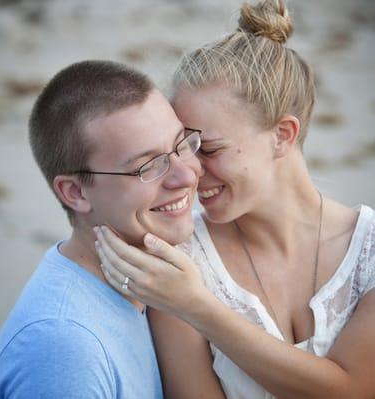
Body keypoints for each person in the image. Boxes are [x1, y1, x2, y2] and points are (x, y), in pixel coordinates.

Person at [95, 1, 375, 398]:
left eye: (207, 148)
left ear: (283, 135)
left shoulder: (370, 250)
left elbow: (353, 390)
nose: (190, 172)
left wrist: (196, 307)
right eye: (184, 148)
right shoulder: (180, 261)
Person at [0, 60, 204, 398]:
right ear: (75, 193)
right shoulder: (65, 347)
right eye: (148, 166)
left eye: (181, 145)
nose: (186, 176)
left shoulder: (149, 288)